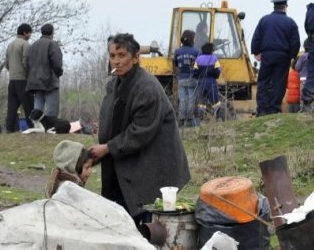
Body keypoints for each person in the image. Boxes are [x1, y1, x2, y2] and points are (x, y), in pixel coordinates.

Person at [89, 33, 190, 224]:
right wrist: (93, 156)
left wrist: (107, 148)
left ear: (135, 58)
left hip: (154, 166)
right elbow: (112, 126)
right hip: (128, 161)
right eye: (112, 56)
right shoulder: (114, 86)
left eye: (122, 55)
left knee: (147, 226)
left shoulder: (147, 87)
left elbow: (140, 132)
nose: (116, 61)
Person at [251, 0, 300, 116]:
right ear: (285, 7)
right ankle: (274, 108)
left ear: (274, 7)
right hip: (283, 57)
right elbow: (295, 42)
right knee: (279, 82)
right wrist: (292, 55)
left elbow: (256, 37)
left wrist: (256, 52)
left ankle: (262, 109)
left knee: (263, 81)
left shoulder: (264, 20)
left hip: (267, 55)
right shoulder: (290, 22)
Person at [26, 23, 63, 118]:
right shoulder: (52, 44)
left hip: (35, 81)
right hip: (49, 81)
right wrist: (58, 74)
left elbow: (27, 63)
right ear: (52, 33)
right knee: (51, 109)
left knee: (38, 107)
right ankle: (50, 127)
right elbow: (57, 63)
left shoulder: (32, 46)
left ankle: (37, 126)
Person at [5, 23, 34, 133]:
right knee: (29, 106)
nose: (30, 35)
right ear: (25, 33)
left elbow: (7, 64)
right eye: (29, 33)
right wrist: (30, 75)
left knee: (12, 106)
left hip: (12, 80)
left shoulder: (10, 44)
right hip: (23, 79)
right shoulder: (25, 44)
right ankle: (32, 127)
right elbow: (26, 62)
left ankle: (10, 128)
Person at [173, 29, 200, 127]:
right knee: (191, 100)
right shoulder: (196, 52)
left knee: (183, 100)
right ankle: (189, 121)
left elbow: (175, 63)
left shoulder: (177, 51)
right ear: (191, 39)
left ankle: (180, 120)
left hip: (181, 79)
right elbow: (198, 65)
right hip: (192, 79)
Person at [193, 43, 222, 119]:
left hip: (201, 81)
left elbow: (195, 71)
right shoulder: (214, 59)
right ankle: (217, 116)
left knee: (201, 100)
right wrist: (215, 76)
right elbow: (218, 70)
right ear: (211, 50)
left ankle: (200, 117)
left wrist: (198, 77)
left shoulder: (198, 59)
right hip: (211, 81)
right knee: (215, 99)